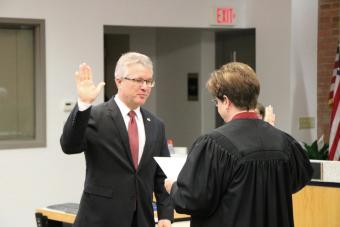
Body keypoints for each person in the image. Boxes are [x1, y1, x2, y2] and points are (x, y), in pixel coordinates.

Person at [164, 62, 313, 227]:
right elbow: (299, 179)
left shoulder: (213, 144)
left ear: (226, 101)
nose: (217, 105)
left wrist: (173, 187)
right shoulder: (284, 142)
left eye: (216, 101)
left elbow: (192, 200)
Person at [60, 52, 173, 227]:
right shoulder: (95, 116)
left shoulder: (156, 124)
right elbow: (69, 146)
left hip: (142, 219)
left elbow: (161, 175)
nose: (145, 87)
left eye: (149, 81)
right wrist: (83, 104)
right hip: (100, 219)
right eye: (138, 80)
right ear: (118, 80)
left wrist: (166, 215)